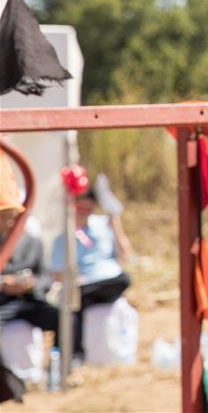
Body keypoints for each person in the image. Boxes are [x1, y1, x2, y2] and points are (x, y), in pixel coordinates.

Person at [50, 185, 133, 361]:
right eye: (81, 208)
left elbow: (126, 255)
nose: (84, 213)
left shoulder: (104, 225)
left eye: (89, 209)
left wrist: (116, 223)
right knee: (72, 309)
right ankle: (73, 356)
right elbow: (56, 274)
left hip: (109, 281)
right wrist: (72, 280)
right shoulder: (62, 238)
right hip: (83, 284)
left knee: (124, 280)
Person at [0, 154, 57, 403]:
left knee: (64, 317)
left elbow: (45, 279)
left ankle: (65, 367)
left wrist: (31, 284)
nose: (10, 221)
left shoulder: (32, 242)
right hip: (2, 304)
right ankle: (10, 383)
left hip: (28, 301)